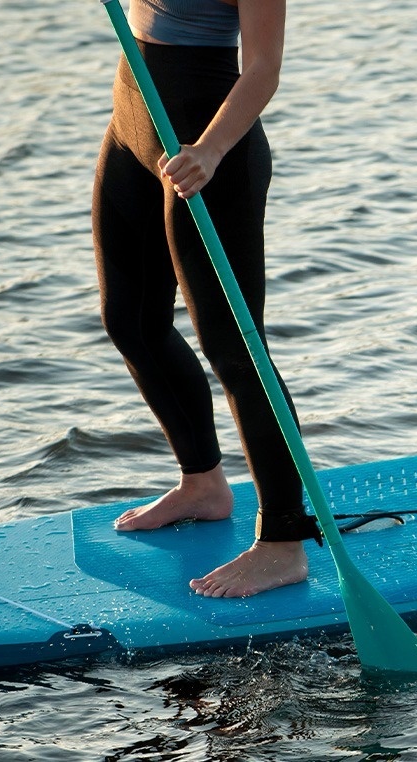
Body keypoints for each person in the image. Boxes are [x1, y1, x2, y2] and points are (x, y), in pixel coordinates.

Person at [91, 0, 321, 598]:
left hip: (208, 147)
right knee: (131, 320)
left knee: (235, 346)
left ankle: (284, 544)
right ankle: (204, 486)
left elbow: (263, 68)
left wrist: (212, 150)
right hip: (132, 123)